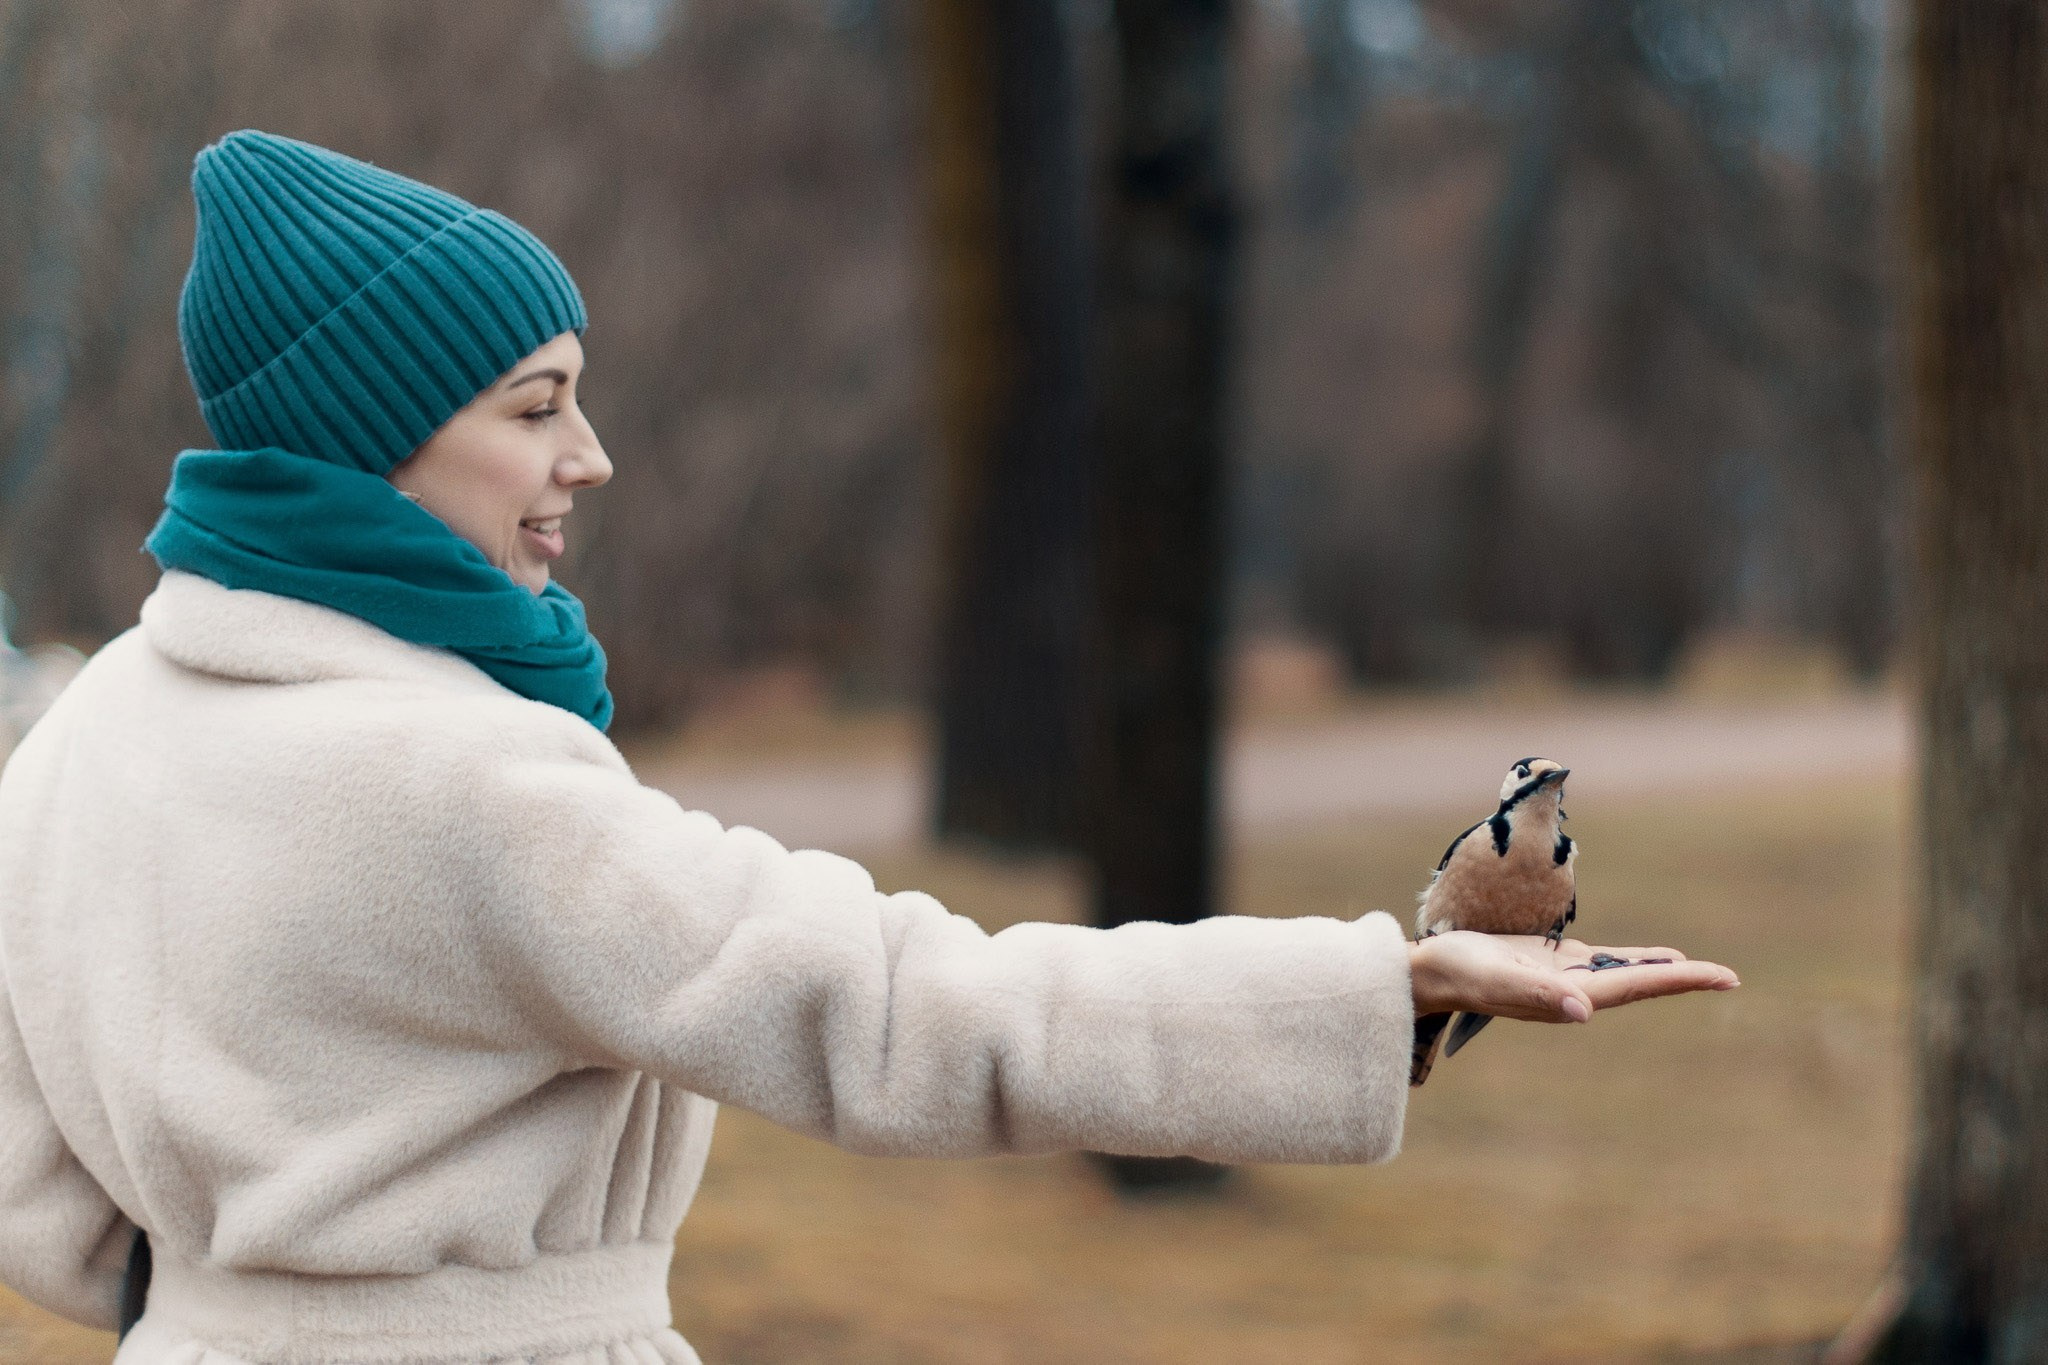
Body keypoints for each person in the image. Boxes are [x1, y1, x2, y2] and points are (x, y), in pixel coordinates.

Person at [0, 130, 1736, 1365]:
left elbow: (35, 1193)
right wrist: (1385, 991)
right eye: (534, 407)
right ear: (363, 438)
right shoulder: (470, 785)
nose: (589, 457)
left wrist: (246, 1313)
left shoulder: (78, 742)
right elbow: (912, 1012)